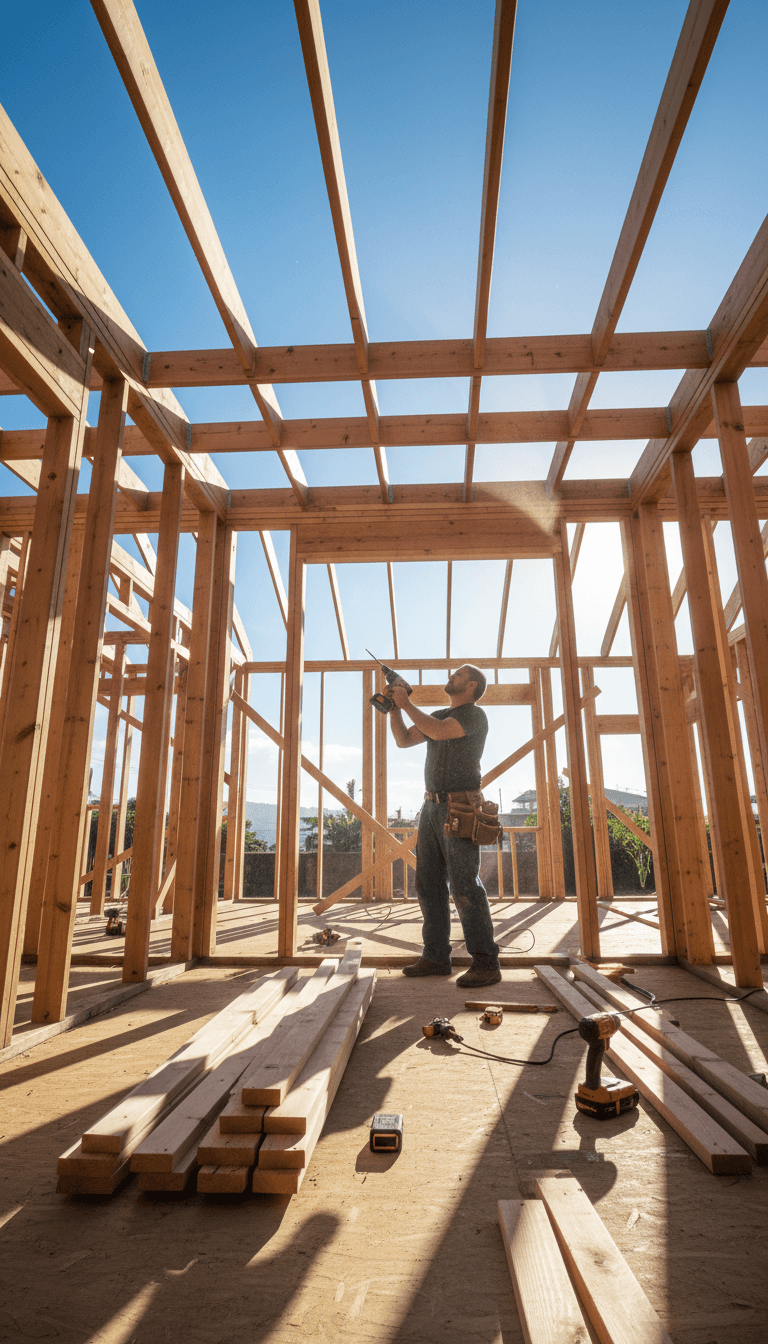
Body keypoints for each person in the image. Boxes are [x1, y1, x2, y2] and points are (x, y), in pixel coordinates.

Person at [389, 664, 500, 988]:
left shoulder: (474, 716)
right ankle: (436, 957)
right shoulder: (437, 714)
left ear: (472, 685)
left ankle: (486, 963)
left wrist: (406, 703)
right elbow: (404, 739)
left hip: (460, 805)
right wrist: (393, 709)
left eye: (459, 674)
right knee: (428, 883)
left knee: (464, 885)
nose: (452, 675)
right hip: (432, 806)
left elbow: (439, 731)